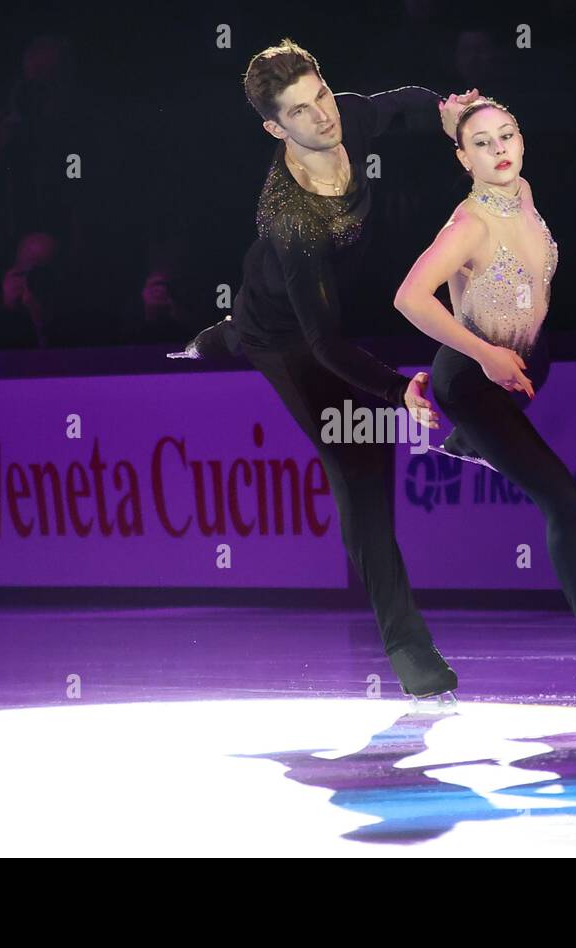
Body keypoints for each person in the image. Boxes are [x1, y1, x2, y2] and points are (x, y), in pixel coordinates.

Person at [170, 39, 478, 704]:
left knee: (230, 334)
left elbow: (400, 106)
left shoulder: (341, 114)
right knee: (361, 464)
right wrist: (397, 389)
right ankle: (406, 645)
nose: (322, 118)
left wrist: (453, 115)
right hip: (289, 337)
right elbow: (326, 344)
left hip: (317, 298)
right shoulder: (292, 219)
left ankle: (210, 338)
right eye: (300, 113)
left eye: (319, 97)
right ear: (275, 129)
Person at [392, 98, 576, 709]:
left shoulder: (521, 191)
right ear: (462, 159)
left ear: (522, 143)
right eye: (482, 144)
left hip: (526, 363)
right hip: (476, 380)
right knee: (562, 499)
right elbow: (409, 297)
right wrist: (484, 353)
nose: (499, 150)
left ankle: (465, 443)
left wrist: (463, 120)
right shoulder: (469, 225)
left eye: (507, 137)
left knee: (535, 379)